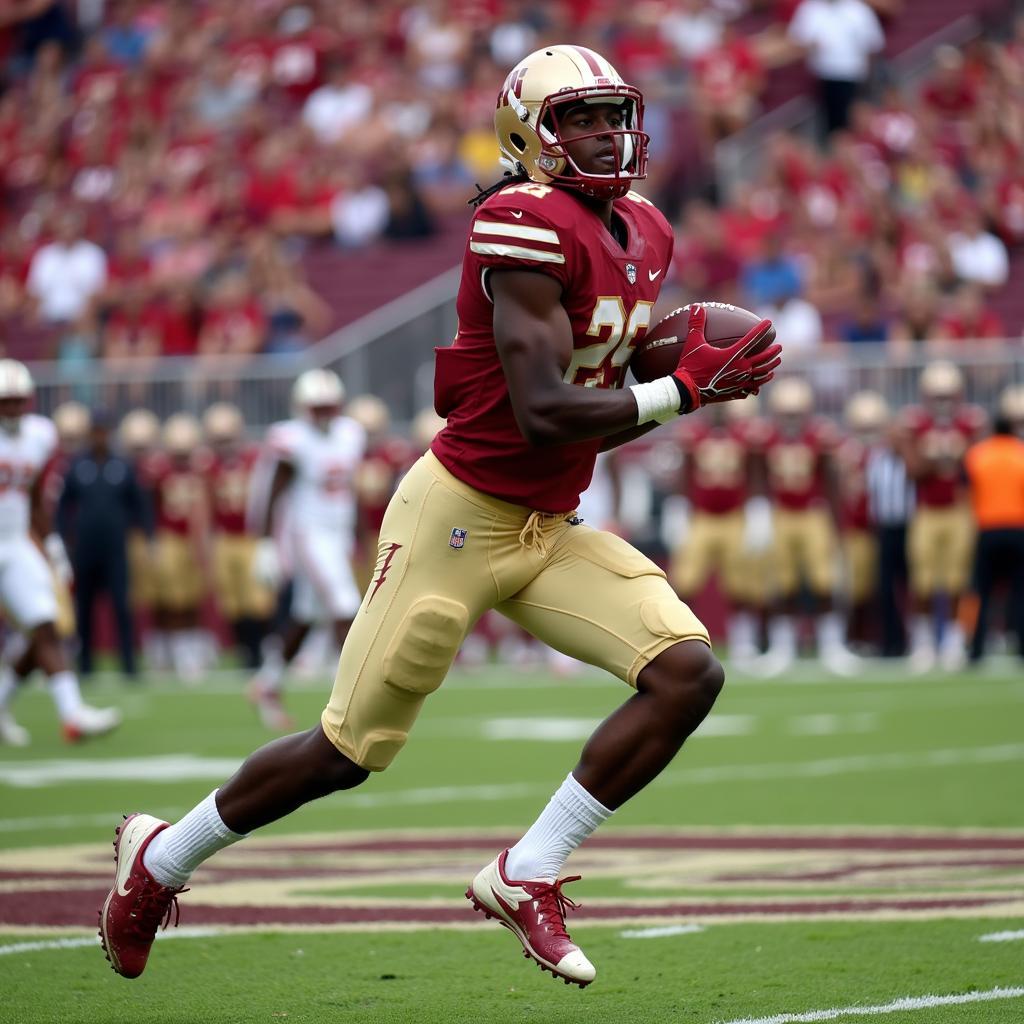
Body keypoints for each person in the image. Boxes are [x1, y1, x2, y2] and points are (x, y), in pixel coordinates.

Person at [98, 45, 780, 988]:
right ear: (528, 136)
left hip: (547, 523)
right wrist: (682, 395)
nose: (603, 134)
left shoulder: (648, 230)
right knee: (347, 752)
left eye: (612, 115)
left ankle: (527, 872)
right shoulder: (519, 220)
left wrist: (668, 386)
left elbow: (589, 413)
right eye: (577, 118)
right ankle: (163, 857)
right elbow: (543, 407)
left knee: (686, 674)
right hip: (456, 519)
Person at [0, 361, 121, 746]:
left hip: (15, 541)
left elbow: (34, 494)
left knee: (46, 624)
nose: (14, 409)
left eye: (19, 400)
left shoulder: (38, 435)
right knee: (43, 627)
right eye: (6, 401)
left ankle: (72, 714)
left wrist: (51, 544)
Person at [245, 369, 366, 730]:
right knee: (346, 605)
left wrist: (359, 532)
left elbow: (350, 487)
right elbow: (273, 490)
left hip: (337, 531)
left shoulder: (350, 433)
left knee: (306, 615)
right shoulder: (293, 439)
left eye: (329, 406)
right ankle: (356, 699)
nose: (324, 414)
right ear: (303, 407)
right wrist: (266, 541)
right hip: (309, 534)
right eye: (318, 407)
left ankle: (266, 684)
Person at [753, 377, 860, 676]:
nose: (791, 420)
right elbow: (758, 473)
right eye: (786, 414)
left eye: (796, 413)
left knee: (824, 581)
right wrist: (759, 509)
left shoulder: (819, 436)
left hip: (813, 515)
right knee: (781, 583)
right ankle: (782, 648)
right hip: (781, 514)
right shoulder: (766, 437)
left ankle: (832, 646)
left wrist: (836, 522)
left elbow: (830, 481)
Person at [898, 361, 986, 672]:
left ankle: (952, 641)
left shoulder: (970, 424)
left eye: (947, 395)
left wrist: (953, 452)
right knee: (923, 579)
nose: (942, 402)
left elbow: (978, 467)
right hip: (927, 511)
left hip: (959, 510)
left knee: (957, 579)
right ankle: (923, 643)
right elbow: (913, 471)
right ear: (926, 396)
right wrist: (939, 455)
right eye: (937, 395)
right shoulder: (915, 424)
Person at [56, 408, 152, 678]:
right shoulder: (78, 465)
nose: (100, 436)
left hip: (115, 547)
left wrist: (146, 533)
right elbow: (64, 506)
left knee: (122, 605)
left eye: (104, 431)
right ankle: (86, 664)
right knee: (84, 606)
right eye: (96, 431)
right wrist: (62, 538)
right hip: (85, 547)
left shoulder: (122, 465)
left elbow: (139, 503)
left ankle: (128, 664)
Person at [196, 403, 274, 669]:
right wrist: (205, 544)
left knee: (258, 599)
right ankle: (245, 651)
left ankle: (261, 648)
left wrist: (269, 538)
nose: (223, 445)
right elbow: (205, 508)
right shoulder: (209, 466)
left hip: (250, 537)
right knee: (232, 601)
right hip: (225, 538)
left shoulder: (255, 460)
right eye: (218, 439)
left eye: (227, 438)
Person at [963, 391, 1024, 663]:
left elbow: (965, 492)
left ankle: (975, 648)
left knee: (980, 591)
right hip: (1017, 528)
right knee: (1020, 591)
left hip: (987, 528)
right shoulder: (1020, 454)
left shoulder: (977, 455)